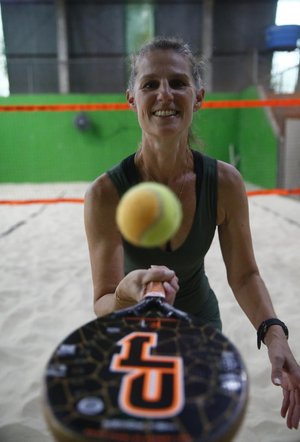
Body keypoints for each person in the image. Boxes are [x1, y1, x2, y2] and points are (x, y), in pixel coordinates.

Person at [84, 36, 300, 430]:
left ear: (198, 96)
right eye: (150, 84)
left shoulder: (225, 182)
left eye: (178, 83)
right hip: (135, 339)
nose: (164, 93)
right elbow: (101, 302)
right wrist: (124, 293)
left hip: (201, 326)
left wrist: (274, 335)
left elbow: (245, 275)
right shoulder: (104, 194)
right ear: (131, 97)